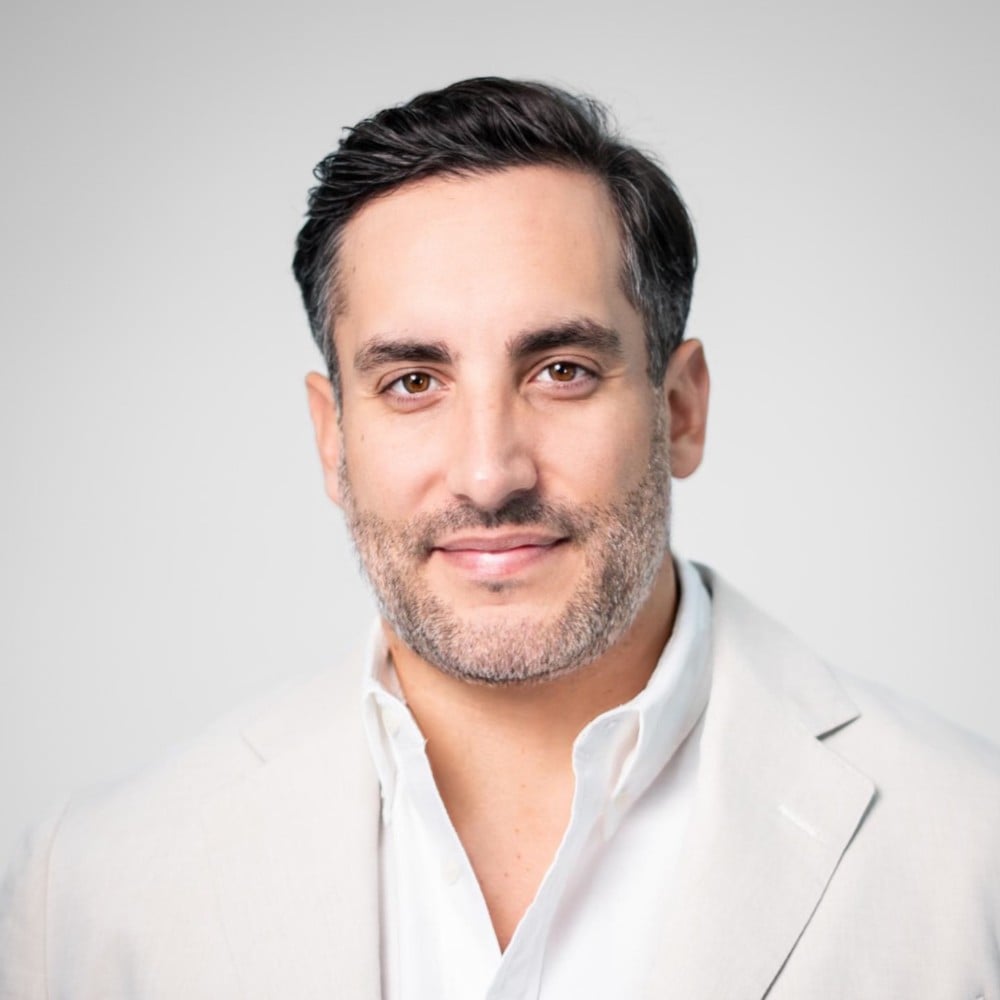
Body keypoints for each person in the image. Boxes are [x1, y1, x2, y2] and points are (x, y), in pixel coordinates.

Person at [1, 77, 998, 999]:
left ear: (681, 409)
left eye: (561, 370)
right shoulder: (93, 890)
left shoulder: (971, 853)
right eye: (412, 382)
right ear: (332, 441)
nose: (489, 474)